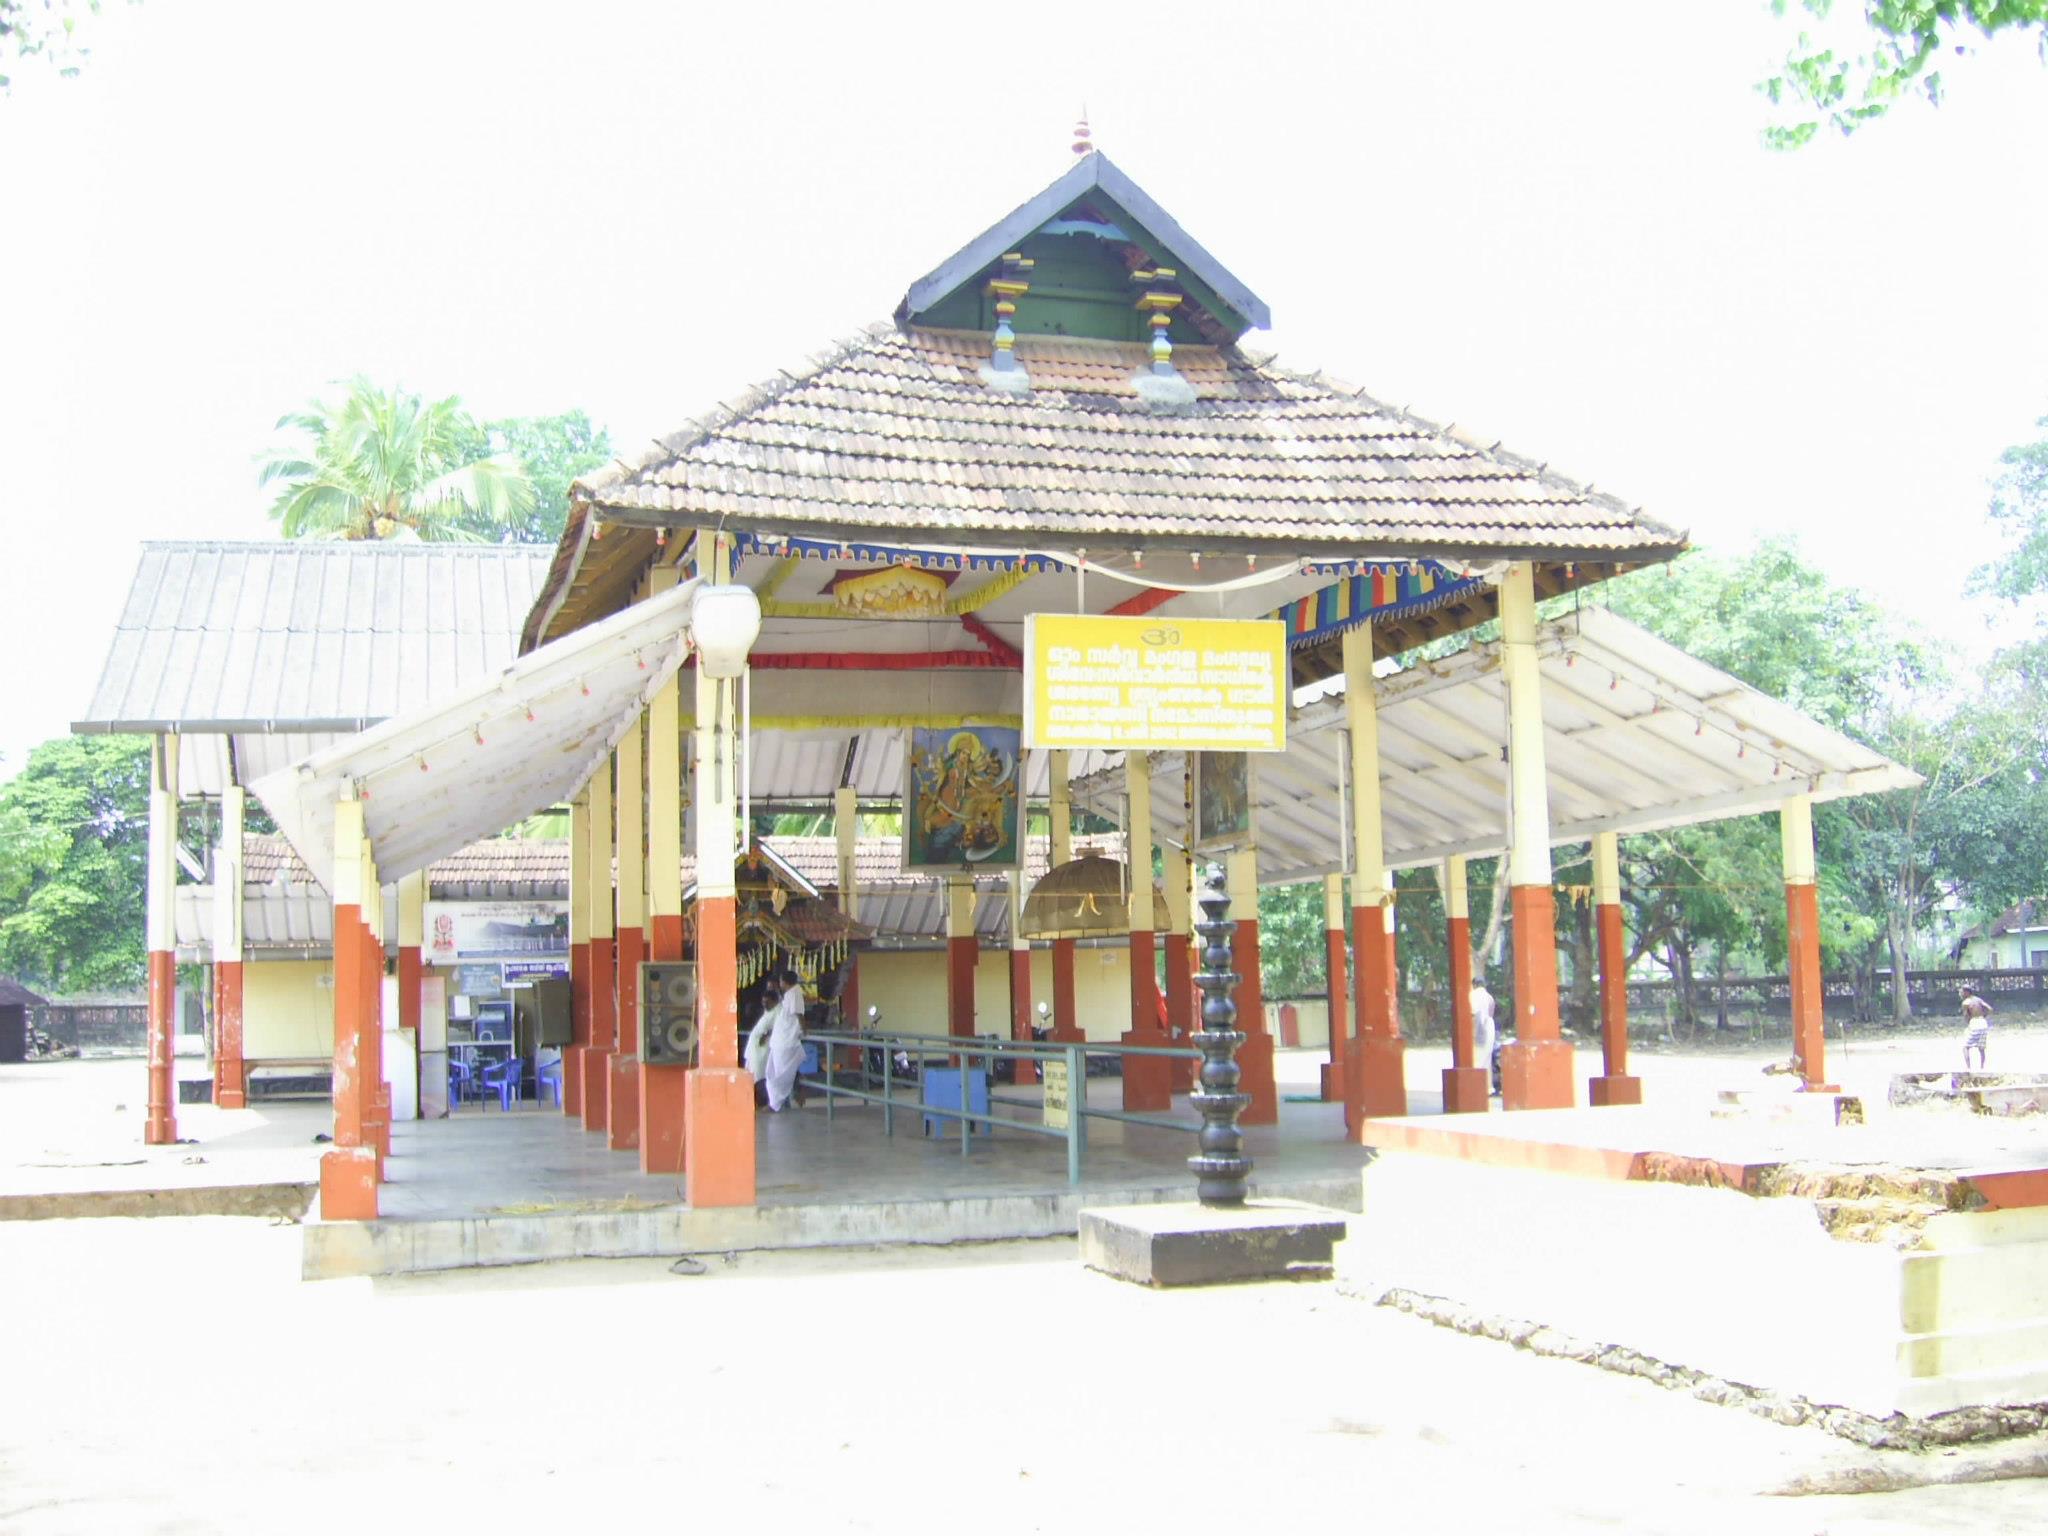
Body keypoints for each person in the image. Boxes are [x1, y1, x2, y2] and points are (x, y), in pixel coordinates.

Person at [745, 970, 808, 1113]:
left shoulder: (794, 995)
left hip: (786, 1043)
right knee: (771, 1074)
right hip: (778, 1043)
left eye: (778, 983)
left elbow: (799, 1015)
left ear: (784, 982)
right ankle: (776, 1102)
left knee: (782, 1074)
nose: (777, 986)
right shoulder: (788, 996)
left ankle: (778, 1103)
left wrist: (804, 1031)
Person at [1470, 979, 1498, 1095]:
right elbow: (1491, 1013)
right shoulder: (1489, 997)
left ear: (1474, 985)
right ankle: (1488, 1087)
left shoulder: (1472, 995)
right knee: (1486, 1057)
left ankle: (1476, 1086)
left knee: (1476, 1057)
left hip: (1477, 1024)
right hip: (1489, 1026)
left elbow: (1471, 1013)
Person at [1960, 985, 1993, 1072]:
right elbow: (1989, 1009)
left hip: (1974, 1023)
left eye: (1962, 992)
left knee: (1965, 1047)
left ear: (1967, 992)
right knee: (1981, 1048)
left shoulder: (1966, 1002)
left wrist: (1970, 1022)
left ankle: (1968, 1068)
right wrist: (1983, 1016)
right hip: (1983, 1023)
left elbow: (1966, 1016)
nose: (1961, 994)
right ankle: (1982, 1068)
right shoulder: (1978, 999)